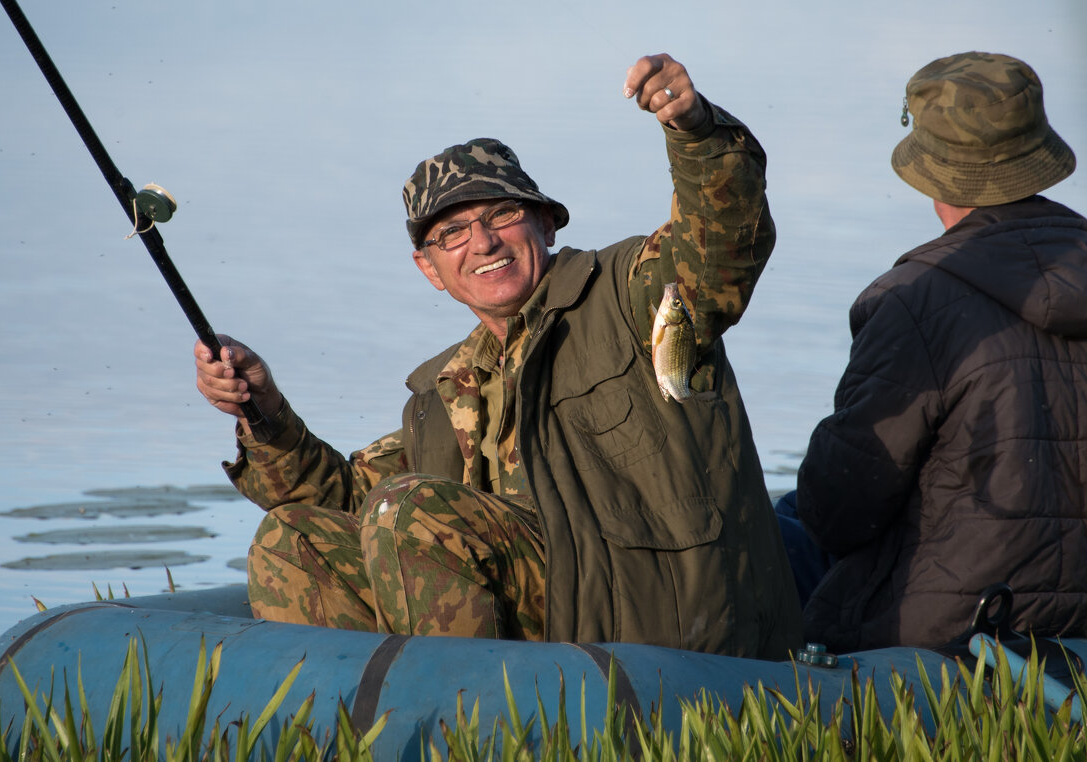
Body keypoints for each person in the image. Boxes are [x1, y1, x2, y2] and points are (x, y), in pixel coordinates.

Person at [196, 53, 802, 659]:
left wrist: (693, 130)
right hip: (544, 616)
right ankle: (371, 733)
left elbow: (721, 237)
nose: (481, 242)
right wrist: (264, 412)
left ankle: (469, 727)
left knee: (410, 509)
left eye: (501, 214)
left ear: (545, 223)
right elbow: (349, 501)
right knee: (292, 538)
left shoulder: (632, 290)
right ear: (429, 269)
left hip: (657, 620)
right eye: (450, 233)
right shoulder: (443, 393)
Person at [793, 51, 1086, 652]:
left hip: (954, 630)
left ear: (935, 177)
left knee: (781, 528)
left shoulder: (912, 301)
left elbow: (841, 511)